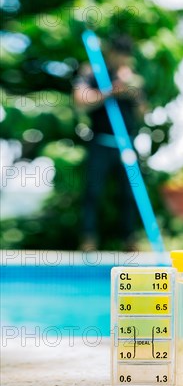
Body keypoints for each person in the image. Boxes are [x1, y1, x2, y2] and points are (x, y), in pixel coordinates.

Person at [73, 35, 146, 251]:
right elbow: (80, 100)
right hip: (100, 143)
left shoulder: (132, 79)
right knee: (92, 192)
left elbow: (143, 113)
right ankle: (88, 240)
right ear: (111, 53)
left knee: (130, 193)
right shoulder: (93, 73)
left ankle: (129, 240)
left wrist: (132, 91)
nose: (123, 60)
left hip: (126, 145)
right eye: (120, 55)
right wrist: (110, 92)